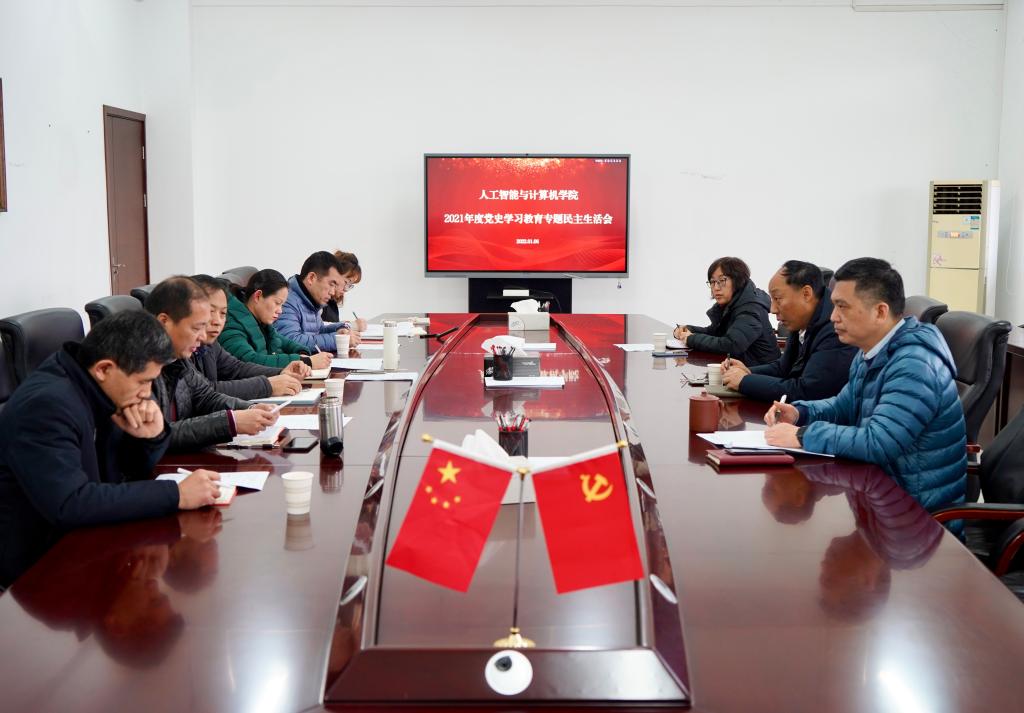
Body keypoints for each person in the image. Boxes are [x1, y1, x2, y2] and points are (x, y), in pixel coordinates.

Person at [0, 310, 223, 588]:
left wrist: (150, 438)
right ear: (104, 369)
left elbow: (126, 473)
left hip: (88, 539)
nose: (147, 393)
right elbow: (71, 504)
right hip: (41, 569)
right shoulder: (47, 406)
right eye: (143, 381)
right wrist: (177, 494)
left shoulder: (96, 388)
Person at [764, 257, 967, 514]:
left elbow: (878, 442)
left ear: (880, 311)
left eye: (842, 307)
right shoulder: (871, 351)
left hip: (918, 517)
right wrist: (799, 412)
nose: (833, 316)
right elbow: (843, 405)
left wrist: (802, 435)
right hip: (879, 498)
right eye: (834, 306)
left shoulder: (915, 364)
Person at [146, 276, 279, 451]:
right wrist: (230, 422)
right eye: (196, 328)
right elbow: (156, 436)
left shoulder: (177, 358)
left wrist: (250, 409)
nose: (202, 336)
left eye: (222, 313)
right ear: (164, 321)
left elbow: (205, 396)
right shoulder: (139, 367)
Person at [722, 260, 856, 401]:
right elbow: (783, 368)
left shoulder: (836, 330)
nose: (772, 309)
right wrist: (747, 371)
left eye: (778, 298)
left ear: (806, 294)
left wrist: (744, 381)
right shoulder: (803, 320)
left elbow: (807, 392)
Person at [190, 274, 307, 400]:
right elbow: (204, 392)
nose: (217, 321)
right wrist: (267, 386)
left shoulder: (210, 344)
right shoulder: (180, 355)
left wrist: (280, 372)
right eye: (211, 311)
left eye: (223, 313)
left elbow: (236, 367)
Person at [673, 256, 780, 366]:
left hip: (762, 372)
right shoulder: (731, 303)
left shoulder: (751, 309)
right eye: (712, 282)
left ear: (738, 281)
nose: (716, 287)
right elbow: (716, 333)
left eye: (721, 281)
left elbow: (731, 345)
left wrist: (691, 339)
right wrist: (688, 329)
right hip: (740, 368)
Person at [219, 269, 333, 370]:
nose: (280, 311)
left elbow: (280, 340)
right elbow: (249, 361)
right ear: (258, 296)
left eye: (282, 305)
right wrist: (305, 361)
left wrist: (301, 352)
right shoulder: (231, 324)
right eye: (277, 303)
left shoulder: (260, 322)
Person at [277, 251, 361, 351]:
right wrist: (338, 340)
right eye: (331, 284)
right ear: (311, 278)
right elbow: (292, 340)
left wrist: (340, 329)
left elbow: (318, 331)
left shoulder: (310, 300)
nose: (333, 292)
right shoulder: (287, 301)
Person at [321, 250, 368, 332]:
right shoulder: (319, 297)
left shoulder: (331, 301)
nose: (345, 290)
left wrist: (343, 323)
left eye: (350, 285)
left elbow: (329, 323)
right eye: (346, 282)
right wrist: (352, 326)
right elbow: (315, 327)